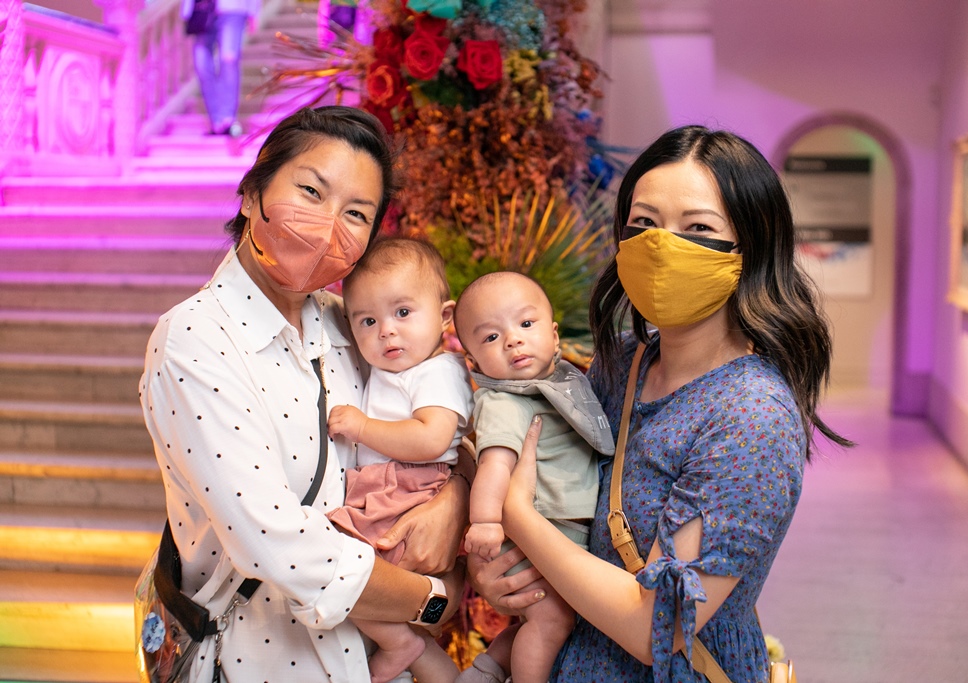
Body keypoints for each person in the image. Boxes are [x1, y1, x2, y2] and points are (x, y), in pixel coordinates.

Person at [469, 125, 852, 683]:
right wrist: (499, 574)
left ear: (751, 248)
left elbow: (660, 627)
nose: (662, 246)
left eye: (698, 228)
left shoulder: (751, 416)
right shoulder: (621, 364)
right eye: (644, 224)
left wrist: (517, 516)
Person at [139, 106, 469, 682]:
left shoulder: (356, 327)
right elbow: (275, 541)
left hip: (364, 662)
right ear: (251, 193)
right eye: (311, 191)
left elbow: (441, 430)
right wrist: (433, 601)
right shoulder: (195, 339)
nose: (328, 224)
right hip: (255, 662)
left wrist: (455, 497)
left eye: (357, 213)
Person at [452, 272, 614, 683]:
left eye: (526, 324)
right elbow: (495, 466)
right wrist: (486, 522)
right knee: (551, 621)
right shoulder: (506, 402)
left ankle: (487, 670)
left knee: (541, 622)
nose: (512, 340)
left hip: (556, 533)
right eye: (490, 337)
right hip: (535, 535)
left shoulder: (558, 385)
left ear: (554, 334)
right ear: (473, 362)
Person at [326, 237, 472, 683]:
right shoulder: (396, 371)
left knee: (343, 577)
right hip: (391, 487)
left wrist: (362, 427)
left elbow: (432, 439)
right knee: (355, 586)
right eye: (368, 320)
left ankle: (400, 644)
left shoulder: (438, 371)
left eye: (403, 313)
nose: (386, 330)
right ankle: (420, 657)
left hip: (410, 488)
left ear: (444, 317)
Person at [181, 0, 261, 136]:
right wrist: (186, 10)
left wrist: (253, 10)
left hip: (234, 9)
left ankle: (227, 119)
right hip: (203, 7)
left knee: (229, 60)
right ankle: (216, 121)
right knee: (201, 63)